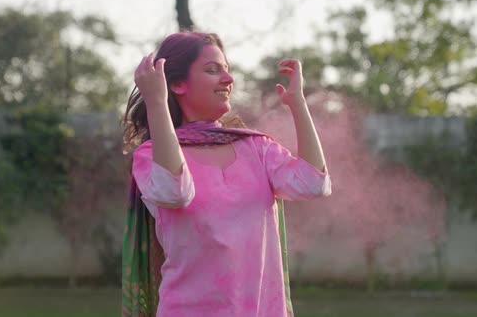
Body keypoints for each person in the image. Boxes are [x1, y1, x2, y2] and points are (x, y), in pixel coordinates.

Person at [121, 31, 331, 317]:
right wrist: (157, 103)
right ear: (178, 84)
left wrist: (298, 104)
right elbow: (175, 192)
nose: (229, 79)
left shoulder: (257, 148)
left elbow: (313, 183)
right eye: (212, 70)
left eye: (227, 70)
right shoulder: (151, 155)